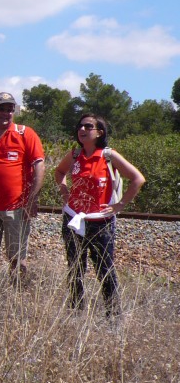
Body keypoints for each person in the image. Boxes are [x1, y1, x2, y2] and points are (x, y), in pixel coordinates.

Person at [53, 114, 144, 316]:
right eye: (80, 126)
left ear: (99, 132)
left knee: (105, 269)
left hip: (100, 222)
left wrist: (119, 205)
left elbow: (137, 178)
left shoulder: (108, 156)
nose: (82, 130)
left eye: (88, 126)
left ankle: (113, 315)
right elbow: (59, 173)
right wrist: (65, 193)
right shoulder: (75, 155)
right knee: (75, 267)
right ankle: (76, 311)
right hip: (73, 218)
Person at [0, 92, 45, 287]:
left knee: (17, 257)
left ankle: (17, 298)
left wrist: (32, 199)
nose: (6, 113)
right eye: (1, 109)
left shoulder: (24, 133)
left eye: (10, 109)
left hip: (17, 207)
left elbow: (39, 166)